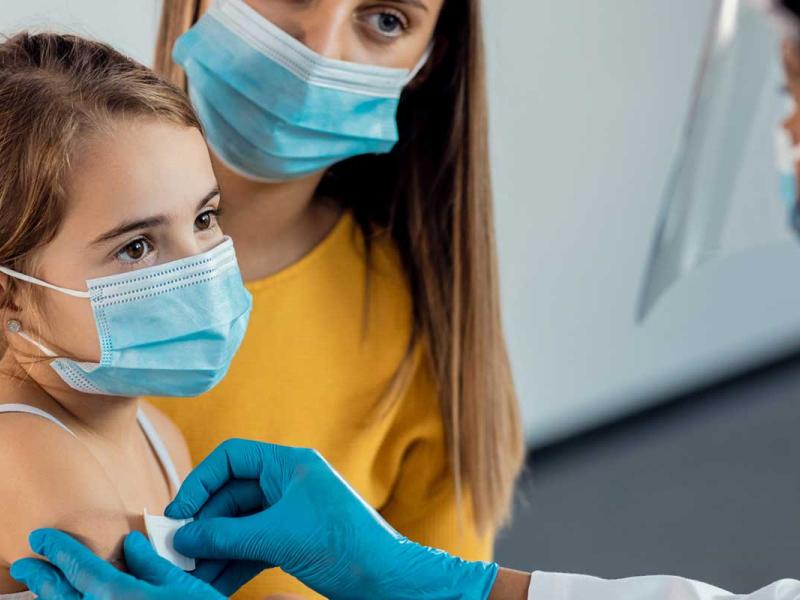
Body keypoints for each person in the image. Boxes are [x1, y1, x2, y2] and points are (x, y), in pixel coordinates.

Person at [145, 0, 524, 596]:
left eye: (387, 19)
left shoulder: (421, 329)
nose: (317, 52)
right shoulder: (27, 238)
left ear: (425, 63)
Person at [0, 32, 251, 597]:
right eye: (136, 246)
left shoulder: (158, 434)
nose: (201, 272)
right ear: (8, 293)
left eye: (205, 218)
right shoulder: (19, 451)